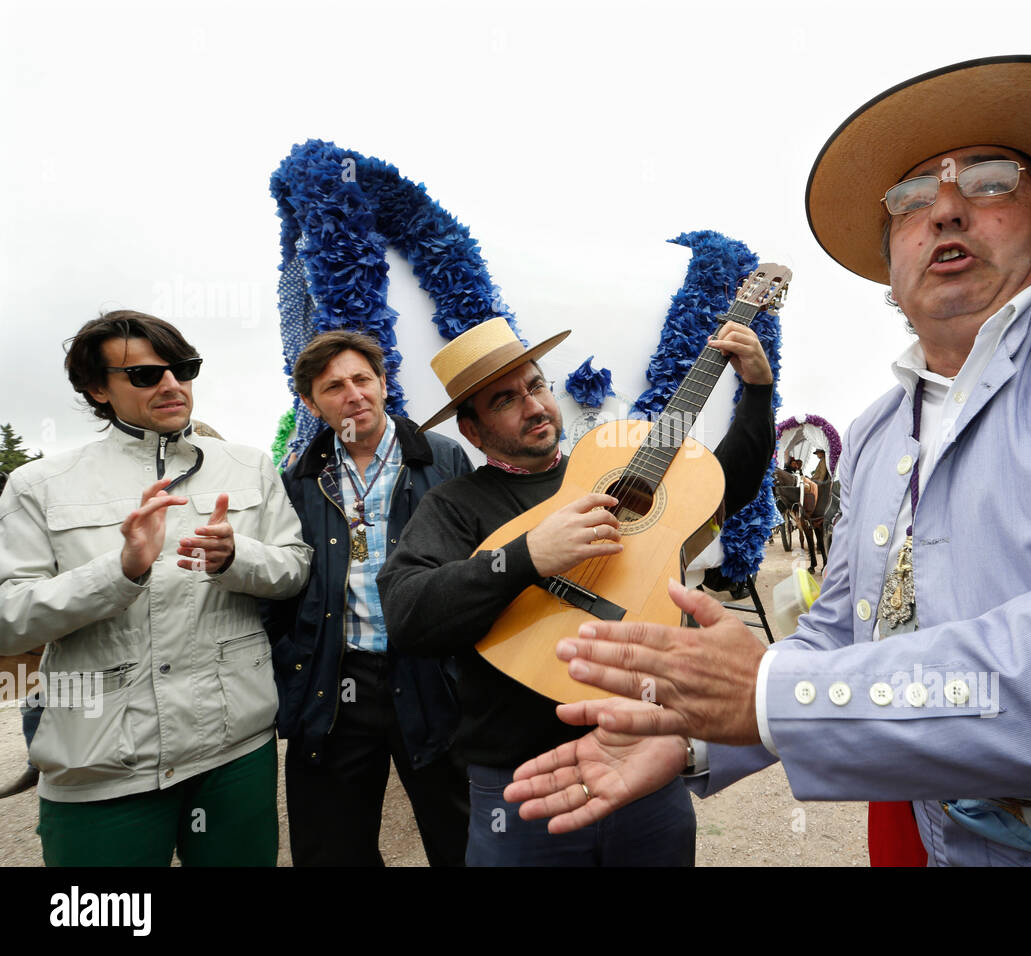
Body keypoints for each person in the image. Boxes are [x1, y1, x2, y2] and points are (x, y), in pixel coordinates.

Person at [504, 55, 1031, 866]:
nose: (947, 209)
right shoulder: (882, 430)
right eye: (912, 201)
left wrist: (773, 697)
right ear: (890, 260)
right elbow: (840, 639)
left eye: (990, 182)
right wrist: (700, 739)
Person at [377, 316, 775, 865]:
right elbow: (408, 613)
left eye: (536, 385)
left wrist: (757, 390)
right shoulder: (454, 505)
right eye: (504, 400)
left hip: (646, 767)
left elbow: (726, 482)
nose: (534, 405)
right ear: (470, 430)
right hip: (523, 790)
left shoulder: (616, 465)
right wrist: (528, 556)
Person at [0, 310, 310, 865]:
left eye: (183, 368)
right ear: (97, 389)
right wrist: (118, 572)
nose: (171, 384)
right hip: (99, 770)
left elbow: (294, 570)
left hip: (235, 754)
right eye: (144, 375)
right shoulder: (37, 485)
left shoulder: (251, 466)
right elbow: (7, 622)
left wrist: (238, 557)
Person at [262, 330, 473, 866]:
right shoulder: (300, 478)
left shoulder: (443, 460)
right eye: (333, 387)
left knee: (465, 838)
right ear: (310, 403)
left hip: (432, 675)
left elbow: (479, 565)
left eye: (362, 379)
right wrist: (294, 661)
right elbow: (284, 587)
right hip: (337, 681)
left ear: (383, 383)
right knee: (332, 847)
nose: (353, 394)